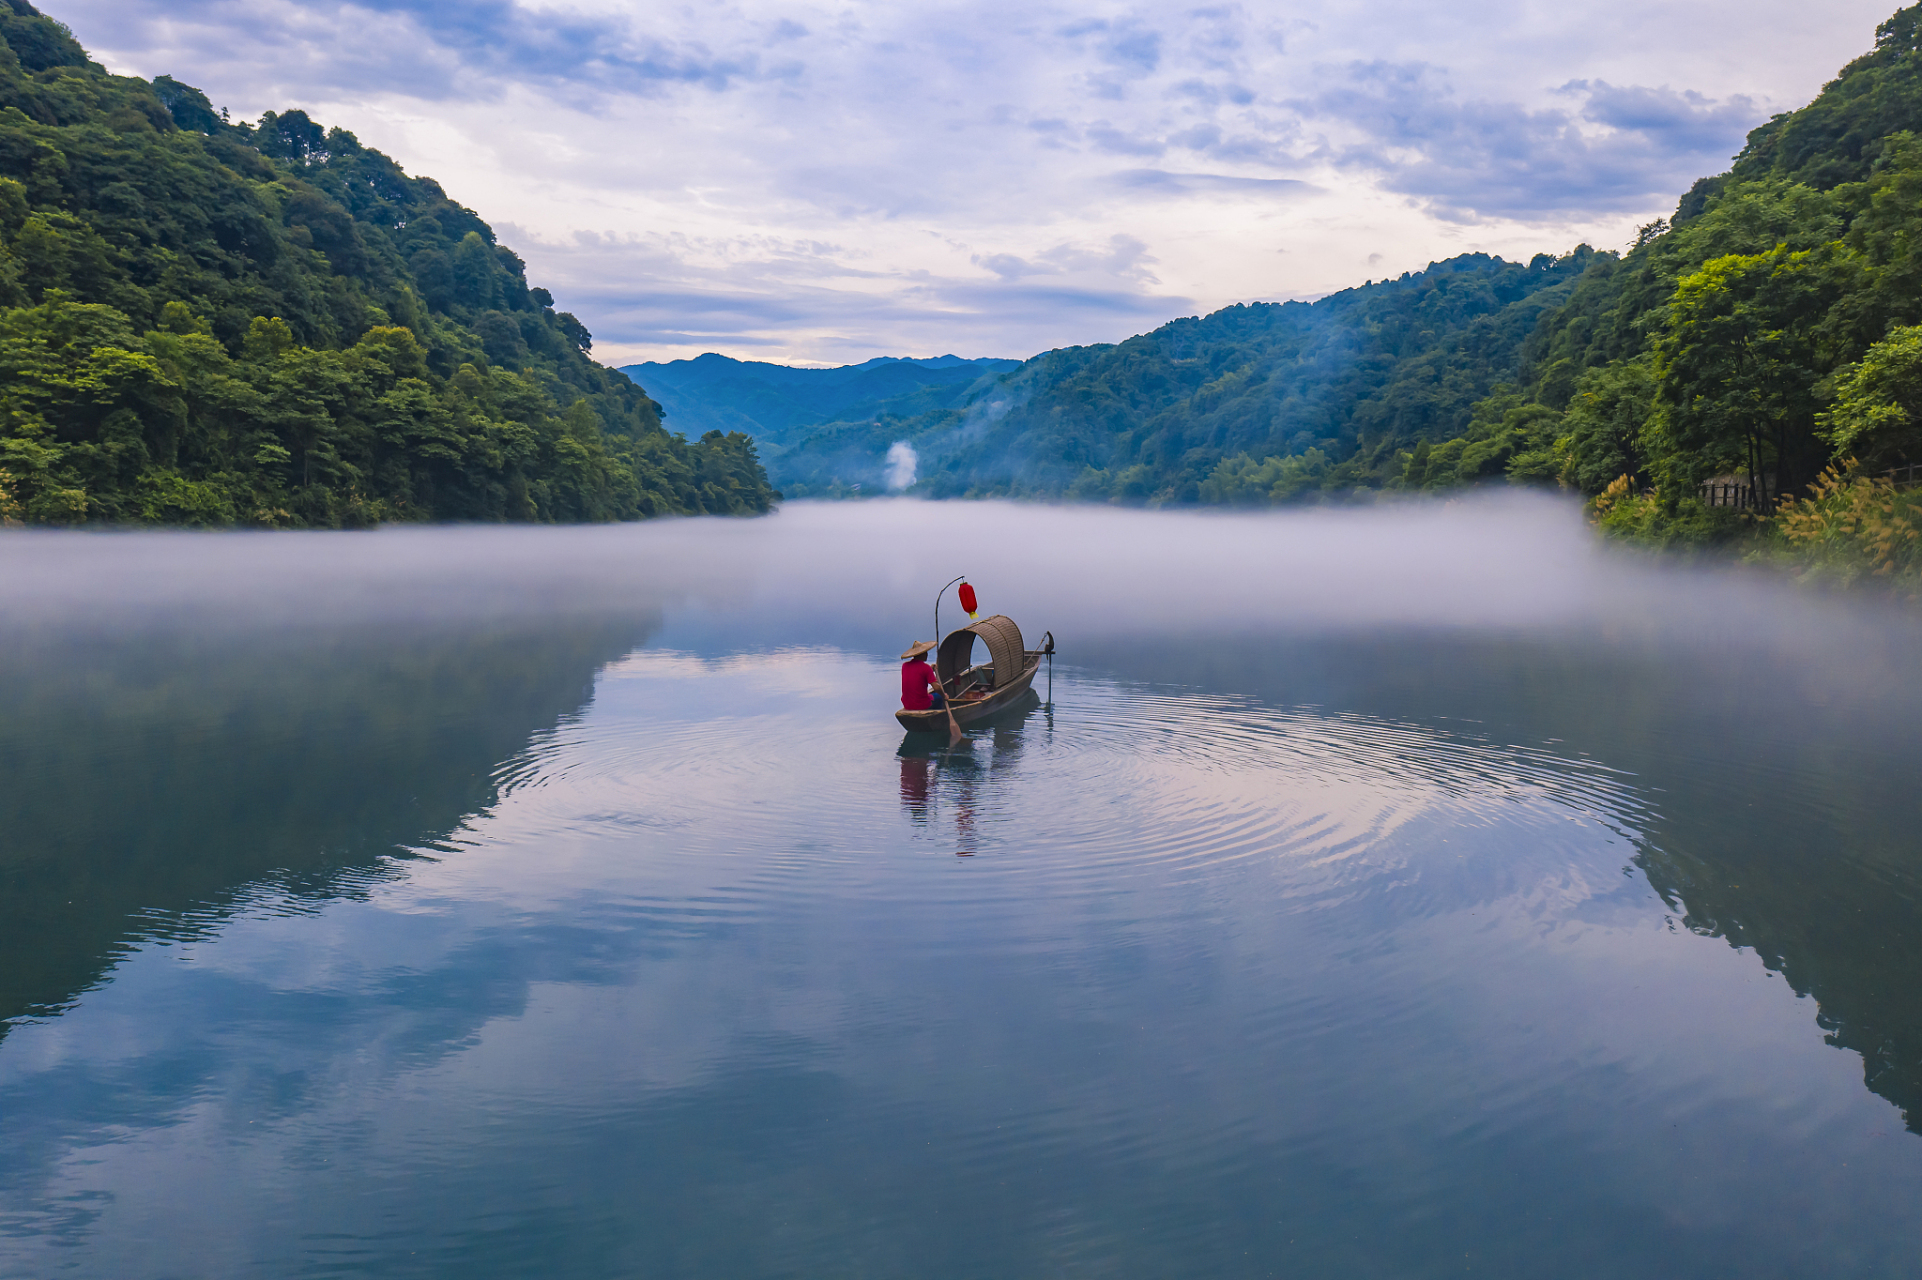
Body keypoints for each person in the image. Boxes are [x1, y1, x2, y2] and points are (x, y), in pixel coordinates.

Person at [900, 640, 946, 711]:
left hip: (907, 704)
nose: (927, 654)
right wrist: (944, 695)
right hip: (921, 704)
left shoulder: (904, 666)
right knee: (939, 697)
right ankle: (938, 715)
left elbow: (917, 674)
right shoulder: (926, 668)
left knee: (932, 695)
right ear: (921, 654)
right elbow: (936, 688)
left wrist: (931, 669)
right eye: (925, 653)